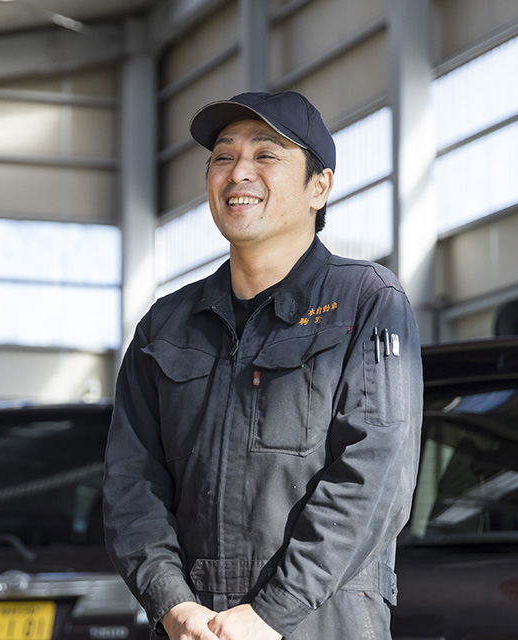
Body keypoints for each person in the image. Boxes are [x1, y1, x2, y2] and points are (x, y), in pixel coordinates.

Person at [102, 90, 423, 640]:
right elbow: (132, 481)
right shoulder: (166, 325)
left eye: (266, 156)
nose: (238, 173)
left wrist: (272, 612)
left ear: (319, 187)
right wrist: (173, 603)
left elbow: (375, 476)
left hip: (323, 619)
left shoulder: (367, 301)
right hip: (196, 627)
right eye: (223, 157)